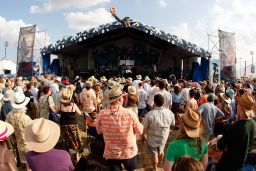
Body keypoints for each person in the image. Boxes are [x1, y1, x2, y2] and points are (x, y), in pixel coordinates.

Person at [96, 86, 143, 171]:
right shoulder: (129, 113)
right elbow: (139, 131)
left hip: (112, 152)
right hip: (128, 151)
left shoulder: (101, 113)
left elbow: (99, 131)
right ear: (120, 99)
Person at [212, 92, 256, 171]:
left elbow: (220, 146)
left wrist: (221, 140)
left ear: (241, 107)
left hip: (227, 165)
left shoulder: (235, 126)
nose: (236, 105)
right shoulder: (253, 124)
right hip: (240, 164)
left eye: (238, 104)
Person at [142, 94, 175, 170]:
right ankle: (160, 162)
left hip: (152, 138)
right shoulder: (169, 113)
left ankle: (154, 168)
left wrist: (143, 136)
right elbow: (173, 124)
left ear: (154, 102)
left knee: (154, 154)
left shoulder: (150, 114)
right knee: (161, 150)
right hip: (164, 136)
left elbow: (144, 127)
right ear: (163, 102)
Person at [6, 91, 32, 171]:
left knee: (24, 164)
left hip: (18, 143)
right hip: (29, 145)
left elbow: (8, 129)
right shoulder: (26, 118)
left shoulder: (9, 115)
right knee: (30, 165)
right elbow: (33, 131)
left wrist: (12, 138)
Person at [59, 89, 83, 157]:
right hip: (73, 126)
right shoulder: (73, 105)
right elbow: (80, 113)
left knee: (66, 141)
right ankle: (76, 155)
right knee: (75, 140)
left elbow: (58, 111)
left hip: (63, 126)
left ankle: (66, 154)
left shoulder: (61, 105)